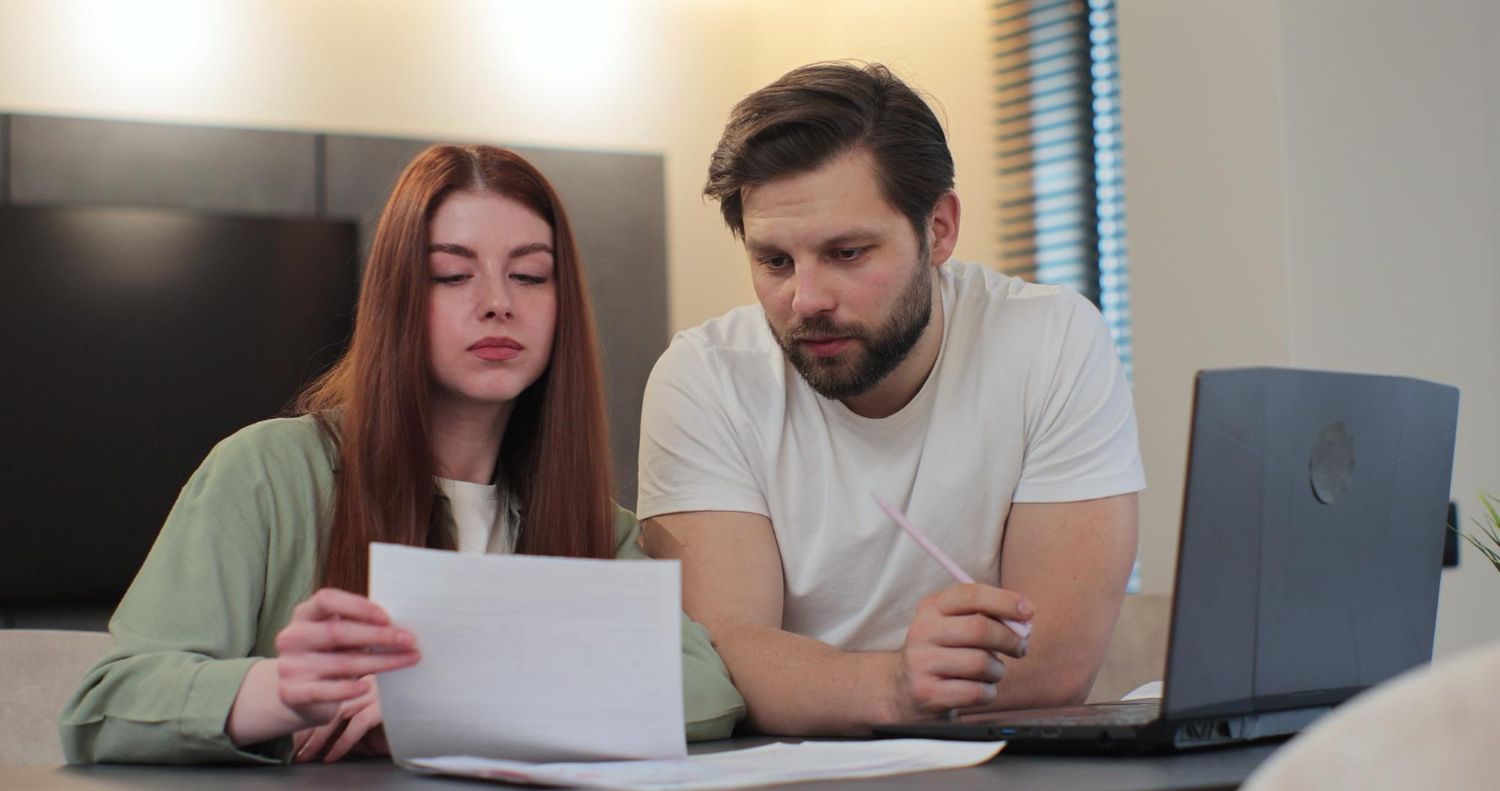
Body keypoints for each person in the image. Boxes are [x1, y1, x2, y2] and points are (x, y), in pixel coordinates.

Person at [60, 144, 745, 764]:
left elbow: (707, 691)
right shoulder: (265, 471)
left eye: (531, 276)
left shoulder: (598, 523)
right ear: (395, 297)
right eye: (452, 274)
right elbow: (105, 703)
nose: (498, 303)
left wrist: (462, 694)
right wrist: (283, 689)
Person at [637, 62, 1145, 736]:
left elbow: (1055, 663)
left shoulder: (1051, 341)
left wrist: (862, 686)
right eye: (774, 262)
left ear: (938, 229)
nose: (806, 300)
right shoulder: (705, 377)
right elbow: (724, 653)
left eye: (847, 252)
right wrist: (893, 685)